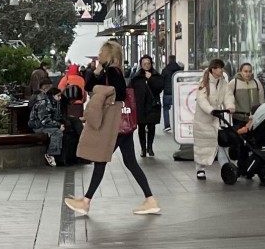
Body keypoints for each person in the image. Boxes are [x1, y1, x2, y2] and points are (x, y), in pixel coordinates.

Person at [64, 41, 161, 216]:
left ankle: (86, 202)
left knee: (101, 160)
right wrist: (97, 71)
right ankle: (150, 200)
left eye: (101, 52)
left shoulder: (113, 71)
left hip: (115, 123)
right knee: (129, 162)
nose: (99, 55)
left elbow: (120, 92)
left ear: (108, 54)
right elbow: (87, 86)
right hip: (121, 124)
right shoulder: (107, 71)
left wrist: (102, 88)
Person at [191, 58, 230, 180]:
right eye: (220, 68)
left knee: (220, 143)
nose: (222, 70)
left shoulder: (223, 82)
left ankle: (226, 167)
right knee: (203, 144)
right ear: (214, 69)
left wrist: (230, 106)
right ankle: (200, 168)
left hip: (217, 118)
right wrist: (210, 110)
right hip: (204, 119)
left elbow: (227, 95)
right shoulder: (204, 82)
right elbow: (201, 100)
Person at [131, 55, 164, 158]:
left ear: (151, 64)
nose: (146, 65)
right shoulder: (136, 77)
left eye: (148, 63)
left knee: (151, 126)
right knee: (141, 127)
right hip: (140, 105)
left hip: (152, 105)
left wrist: (151, 80)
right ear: (141, 65)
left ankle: (150, 147)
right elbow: (130, 89)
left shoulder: (156, 75)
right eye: (144, 64)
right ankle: (143, 149)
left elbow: (160, 88)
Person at [28, 80, 64, 164]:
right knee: (57, 132)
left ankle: (57, 154)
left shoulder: (52, 102)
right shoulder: (43, 103)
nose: (60, 98)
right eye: (58, 96)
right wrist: (58, 125)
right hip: (38, 126)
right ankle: (50, 154)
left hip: (44, 124)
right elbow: (44, 120)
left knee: (61, 131)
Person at [160, 53, 184, 131]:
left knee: (166, 109)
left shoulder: (165, 70)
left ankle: (167, 125)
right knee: (178, 109)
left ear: (169, 60)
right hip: (177, 92)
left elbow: (161, 81)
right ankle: (179, 125)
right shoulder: (179, 70)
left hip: (167, 93)